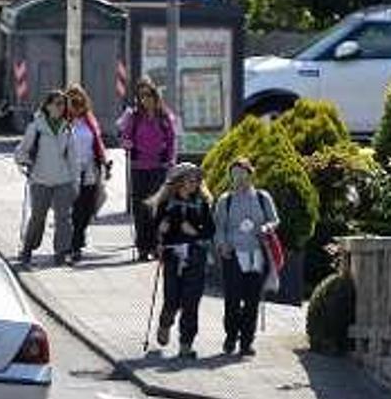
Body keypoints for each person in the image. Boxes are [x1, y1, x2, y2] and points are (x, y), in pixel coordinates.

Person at [147, 162, 214, 359]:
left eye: (196, 180)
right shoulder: (165, 203)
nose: (194, 183)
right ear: (178, 182)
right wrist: (162, 230)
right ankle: (165, 323)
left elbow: (211, 230)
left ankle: (186, 344)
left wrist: (196, 232)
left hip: (195, 255)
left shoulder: (202, 203)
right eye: (189, 179)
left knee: (191, 302)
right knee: (172, 299)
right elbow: (155, 229)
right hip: (172, 257)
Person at [213, 158, 279, 357]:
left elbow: (274, 219)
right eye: (234, 175)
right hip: (233, 254)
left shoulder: (262, 197)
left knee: (252, 301)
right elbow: (219, 228)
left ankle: (247, 342)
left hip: (257, 253)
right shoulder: (226, 200)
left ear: (251, 175)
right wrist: (222, 244)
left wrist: (267, 228)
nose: (239, 179)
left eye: (242, 175)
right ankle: (231, 336)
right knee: (232, 300)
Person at [117, 76, 177, 261]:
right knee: (140, 208)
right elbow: (124, 137)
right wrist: (126, 143)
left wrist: (171, 160)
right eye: (142, 95)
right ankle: (143, 247)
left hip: (158, 166)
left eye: (149, 94)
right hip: (138, 167)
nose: (145, 99)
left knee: (156, 208)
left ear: (155, 95)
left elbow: (172, 139)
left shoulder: (164, 116)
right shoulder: (134, 116)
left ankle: (154, 245)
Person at [14, 91, 77, 267]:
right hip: (40, 179)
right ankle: (28, 248)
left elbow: (73, 158)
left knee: (63, 218)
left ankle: (61, 253)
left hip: (62, 180)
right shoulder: (36, 127)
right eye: (56, 103)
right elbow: (21, 151)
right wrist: (25, 162)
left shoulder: (67, 128)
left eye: (63, 104)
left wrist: (75, 182)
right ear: (47, 106)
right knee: (37, 217)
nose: (60, 107)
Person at [64, 84, 109, 265]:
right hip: (69, 171)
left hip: (89, 169)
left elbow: (97, 142)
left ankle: (78, 237)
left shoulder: (89, 120)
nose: (77, 106)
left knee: (88, 207)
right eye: (73, 101)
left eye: (80, 101)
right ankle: (74, 245)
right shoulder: (63, 121)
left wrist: (104, 161)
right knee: (74, 210)